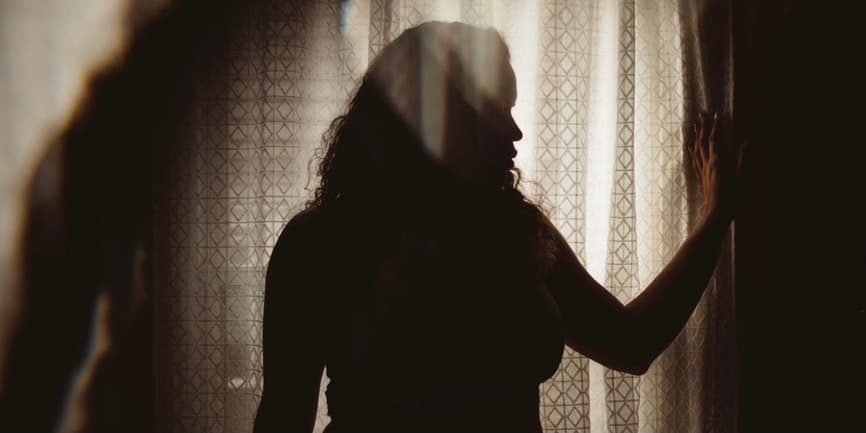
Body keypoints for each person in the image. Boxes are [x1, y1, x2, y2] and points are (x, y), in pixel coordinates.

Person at [253, 21, 742, 433]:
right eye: (496, 110)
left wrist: (716, 215)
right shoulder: (320, 246)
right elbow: (282, 420)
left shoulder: (516, 231)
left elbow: (632, 344)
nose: (516, 131)